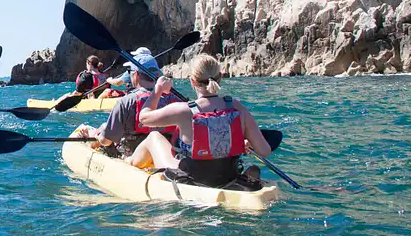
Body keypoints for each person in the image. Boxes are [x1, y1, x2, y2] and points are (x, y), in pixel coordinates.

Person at [134, 54, 272, 187]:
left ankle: (128, 162)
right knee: (251, 168)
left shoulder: (182, 110)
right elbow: (264, 151)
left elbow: (143, 118)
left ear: (192, 81)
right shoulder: (236, 107)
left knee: (154, 137)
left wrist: (157, 90)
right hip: (229, 176)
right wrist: (243, 142)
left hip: (191, 179)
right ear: (220, 78)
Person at [78, 52, 180, 160]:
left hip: (132, 156)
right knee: (104, 127)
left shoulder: (127, 102)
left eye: (129, 72)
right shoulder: (174, 100)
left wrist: (99, 138)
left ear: (135, 74)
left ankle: (90, 137)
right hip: (165, 154)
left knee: (103, 132)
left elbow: (106, 141)